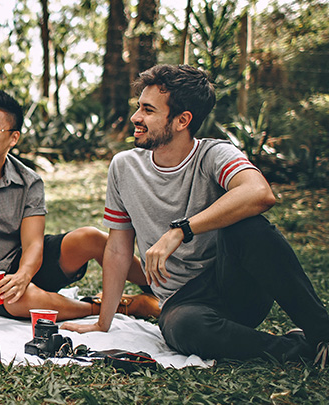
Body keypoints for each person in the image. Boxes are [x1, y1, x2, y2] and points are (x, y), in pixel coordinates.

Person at [62, 64, 329, 366]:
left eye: (148, 110)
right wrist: (103, 322)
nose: (136, 117)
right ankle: (300, 350)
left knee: (248, 227)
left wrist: (181, 230)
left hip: (234, 283)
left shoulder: (214, 154)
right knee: (183, 328)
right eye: (139, 107)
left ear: (182, 120)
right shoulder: (124, 167)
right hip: (183, 304)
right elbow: (118, 248)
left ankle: (323, 334)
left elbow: (260, 193)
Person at [0, 89, 159, 321]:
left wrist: (23, 275)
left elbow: (33, 243)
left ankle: (161, 290)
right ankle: (115, 306)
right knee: (17, 300)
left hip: (28, 263)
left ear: (13, 138)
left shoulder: (29, 181)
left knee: (91, 237)